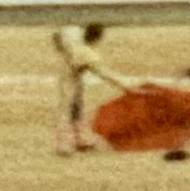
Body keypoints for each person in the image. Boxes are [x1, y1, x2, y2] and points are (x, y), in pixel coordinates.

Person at [52, 23, 138, 157]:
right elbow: (104, 73)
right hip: (71, 76)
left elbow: (58, 36)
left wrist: (62, 49)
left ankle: (80, 139)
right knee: (69, 105)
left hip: (69, 72)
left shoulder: (71, 36)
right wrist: (126, 85)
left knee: (74, 104)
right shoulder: (85, 53)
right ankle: (65, 143)